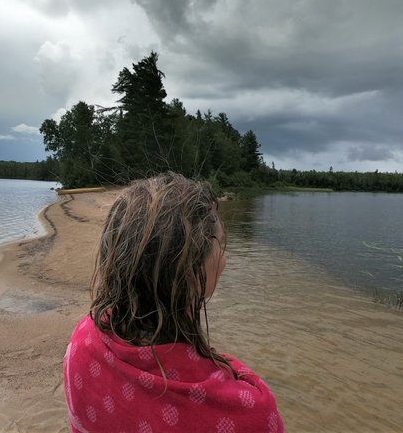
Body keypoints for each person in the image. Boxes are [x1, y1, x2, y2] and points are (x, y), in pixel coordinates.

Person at [63, 172, 284, 432]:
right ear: (191, 273)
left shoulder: (83, 341)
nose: (225, 259)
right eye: (219, 243)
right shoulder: (248, 412)